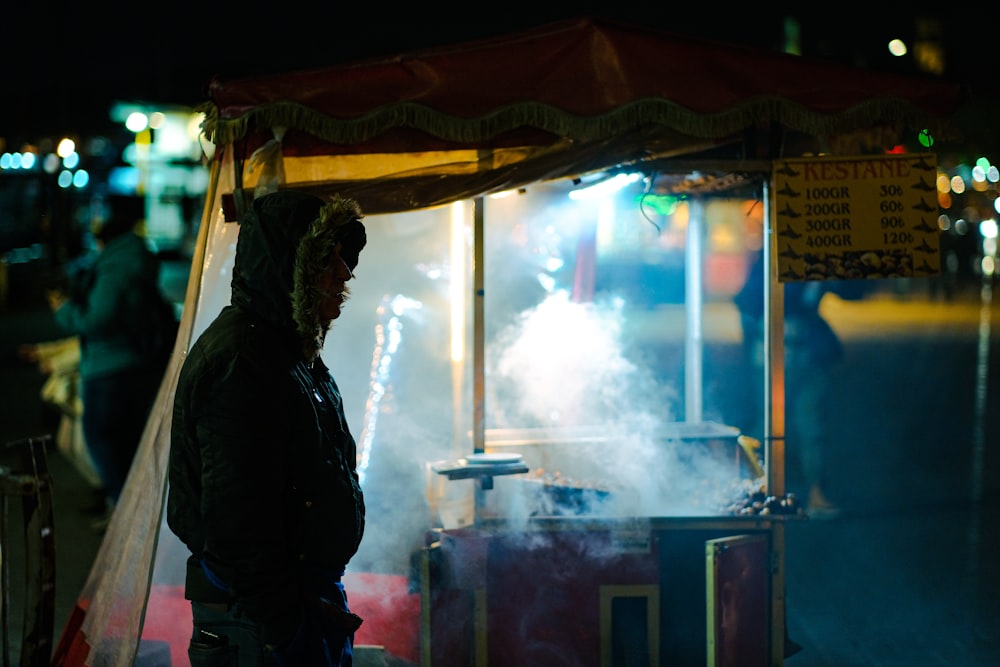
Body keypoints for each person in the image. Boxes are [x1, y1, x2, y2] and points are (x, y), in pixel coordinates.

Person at [167, 190, 368, 666]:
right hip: (261, 623)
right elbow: (236, 526)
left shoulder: (284, 351)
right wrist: (287, 630)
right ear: (291, 269)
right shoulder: (242, 362)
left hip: (291, 606)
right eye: (330, 260)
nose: (345, 274)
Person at [48, 198, 169, 526]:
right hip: (133, 362)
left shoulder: (116, 265)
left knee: (102, 438)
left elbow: (98, 319)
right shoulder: (135, 258)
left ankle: (125, 513)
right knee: (125, 440)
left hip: (109, 366)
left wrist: (64, 311)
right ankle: (128, 509)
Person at [734, 249, 864, 519]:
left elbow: (853, 291)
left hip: (805, 356)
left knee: (812, 425)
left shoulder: (817, 257)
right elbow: (748, 301)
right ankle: (753, 489)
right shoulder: (771, 255)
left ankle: (815, 492)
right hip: (771, 356)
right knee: (767, 425)